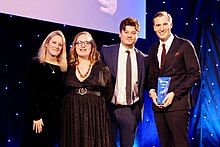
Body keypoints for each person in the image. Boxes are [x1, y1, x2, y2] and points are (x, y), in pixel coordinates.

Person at [148, 11, 201, 147]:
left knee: (180, 144)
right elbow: (152, 76)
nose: (162, 28)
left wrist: (174, 93)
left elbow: (195, 74)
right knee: (165, 144)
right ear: (154, 27)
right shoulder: (153, 49)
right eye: (158, 25)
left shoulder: (184, 45)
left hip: (178, 104)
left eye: (165, 24)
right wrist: (152, 91)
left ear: (171, 24)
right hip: (159, 106)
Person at [61, 31, 113, 147]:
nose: (82, 45)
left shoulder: (102, 68)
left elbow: (109, 93)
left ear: (92, 46)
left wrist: (94, 103)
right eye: (79, 43)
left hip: (95, 114)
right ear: (74, 47)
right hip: (72, 114)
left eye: (86, 42)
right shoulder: (67, 67)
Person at [100, 17, 147, 147]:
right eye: (126, 32)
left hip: (130, 110)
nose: (129, 36)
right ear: (120, 33)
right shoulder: (106, 51)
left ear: (137, 35)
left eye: (133, 33)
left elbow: (148, 82)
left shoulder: (143, 58)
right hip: (109, 108)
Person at [22, 30, 67, 147]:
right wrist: (36, 116)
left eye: (60, 44)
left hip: (55, 118)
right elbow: (30, 92)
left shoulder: (63, 69)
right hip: (38, 117)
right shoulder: (35, 63)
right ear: (47, 43)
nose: (57, 46)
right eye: (54, 42)